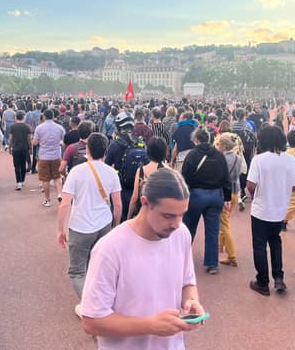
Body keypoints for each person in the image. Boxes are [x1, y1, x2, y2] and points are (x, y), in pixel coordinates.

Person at [81, 168, 206, 350]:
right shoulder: (110, 248)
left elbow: (187, 283)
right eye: (168, 216)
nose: (177, 224)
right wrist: (150, 325)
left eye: (182, 214)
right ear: (145, 203)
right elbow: (91, 321)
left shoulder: (182, 234)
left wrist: (191, 301)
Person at [57, 133, 122, 318]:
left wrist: (60, 230)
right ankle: (104, 302)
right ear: (105, 151)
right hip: (104, 224)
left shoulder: (77, 172)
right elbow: (117, 205)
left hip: (80, 226)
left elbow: (64, 203)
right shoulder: (111, 172)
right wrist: (115, 226)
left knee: (77, 270)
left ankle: (91, 307)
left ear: (87, 149)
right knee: (100, 266)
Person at [247, 125, 295, 296]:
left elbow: (250, 185)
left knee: (259, 245)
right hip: (279, 209)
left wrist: (256, 195)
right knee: (275, 242)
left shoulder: (259, 160)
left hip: (261, 209)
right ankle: (278, 277)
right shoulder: (290, 160)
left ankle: (262, 282)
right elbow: (294, 185)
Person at [181, 128, 231, 274]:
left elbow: (185, 176)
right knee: (212, 230)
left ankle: (182, 258)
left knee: (189, 228)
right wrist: (227, 197)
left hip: (196, 195)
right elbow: (225, 178)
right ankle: (212, 263)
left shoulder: (192, 155)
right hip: (215, 195)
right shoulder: (219, 155)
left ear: (196, 140)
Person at [216, 133, 242, 267]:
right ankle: (220, 246)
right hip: (235, 191)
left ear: (224, 146)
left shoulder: (221, 158)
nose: (217, 146)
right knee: (225, 219)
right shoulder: (238, 158)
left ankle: (232, 256)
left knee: (224, 223)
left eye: (219, 144)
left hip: (225, 192)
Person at [128, 137, 168, 219]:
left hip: (144, 215)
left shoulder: (141, 171)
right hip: (161, 215)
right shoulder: (168, 171)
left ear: (148, 152)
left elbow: (134, 198)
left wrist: (129, 217)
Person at [32, 109, 66, 207]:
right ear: (53, 116)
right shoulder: (60, 127)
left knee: (45, 179)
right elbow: (64, 142)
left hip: (43, 156)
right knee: (57, 177)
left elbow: (35, 143)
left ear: (44, 116)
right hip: (56, 155)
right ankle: (60, 194)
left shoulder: (39, 128)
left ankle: (47, 199)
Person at [8, 111, 32, 191]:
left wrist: (9, 148)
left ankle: (18, 182)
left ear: (16, 118)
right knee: (23, 165)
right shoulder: (27, 126)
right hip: (24, 148)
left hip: (16, 148)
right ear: (23, 118)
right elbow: (29, 139)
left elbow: (10, 139)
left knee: (16, 166)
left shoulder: (12, 126)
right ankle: (22, 181)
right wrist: (30, 148)